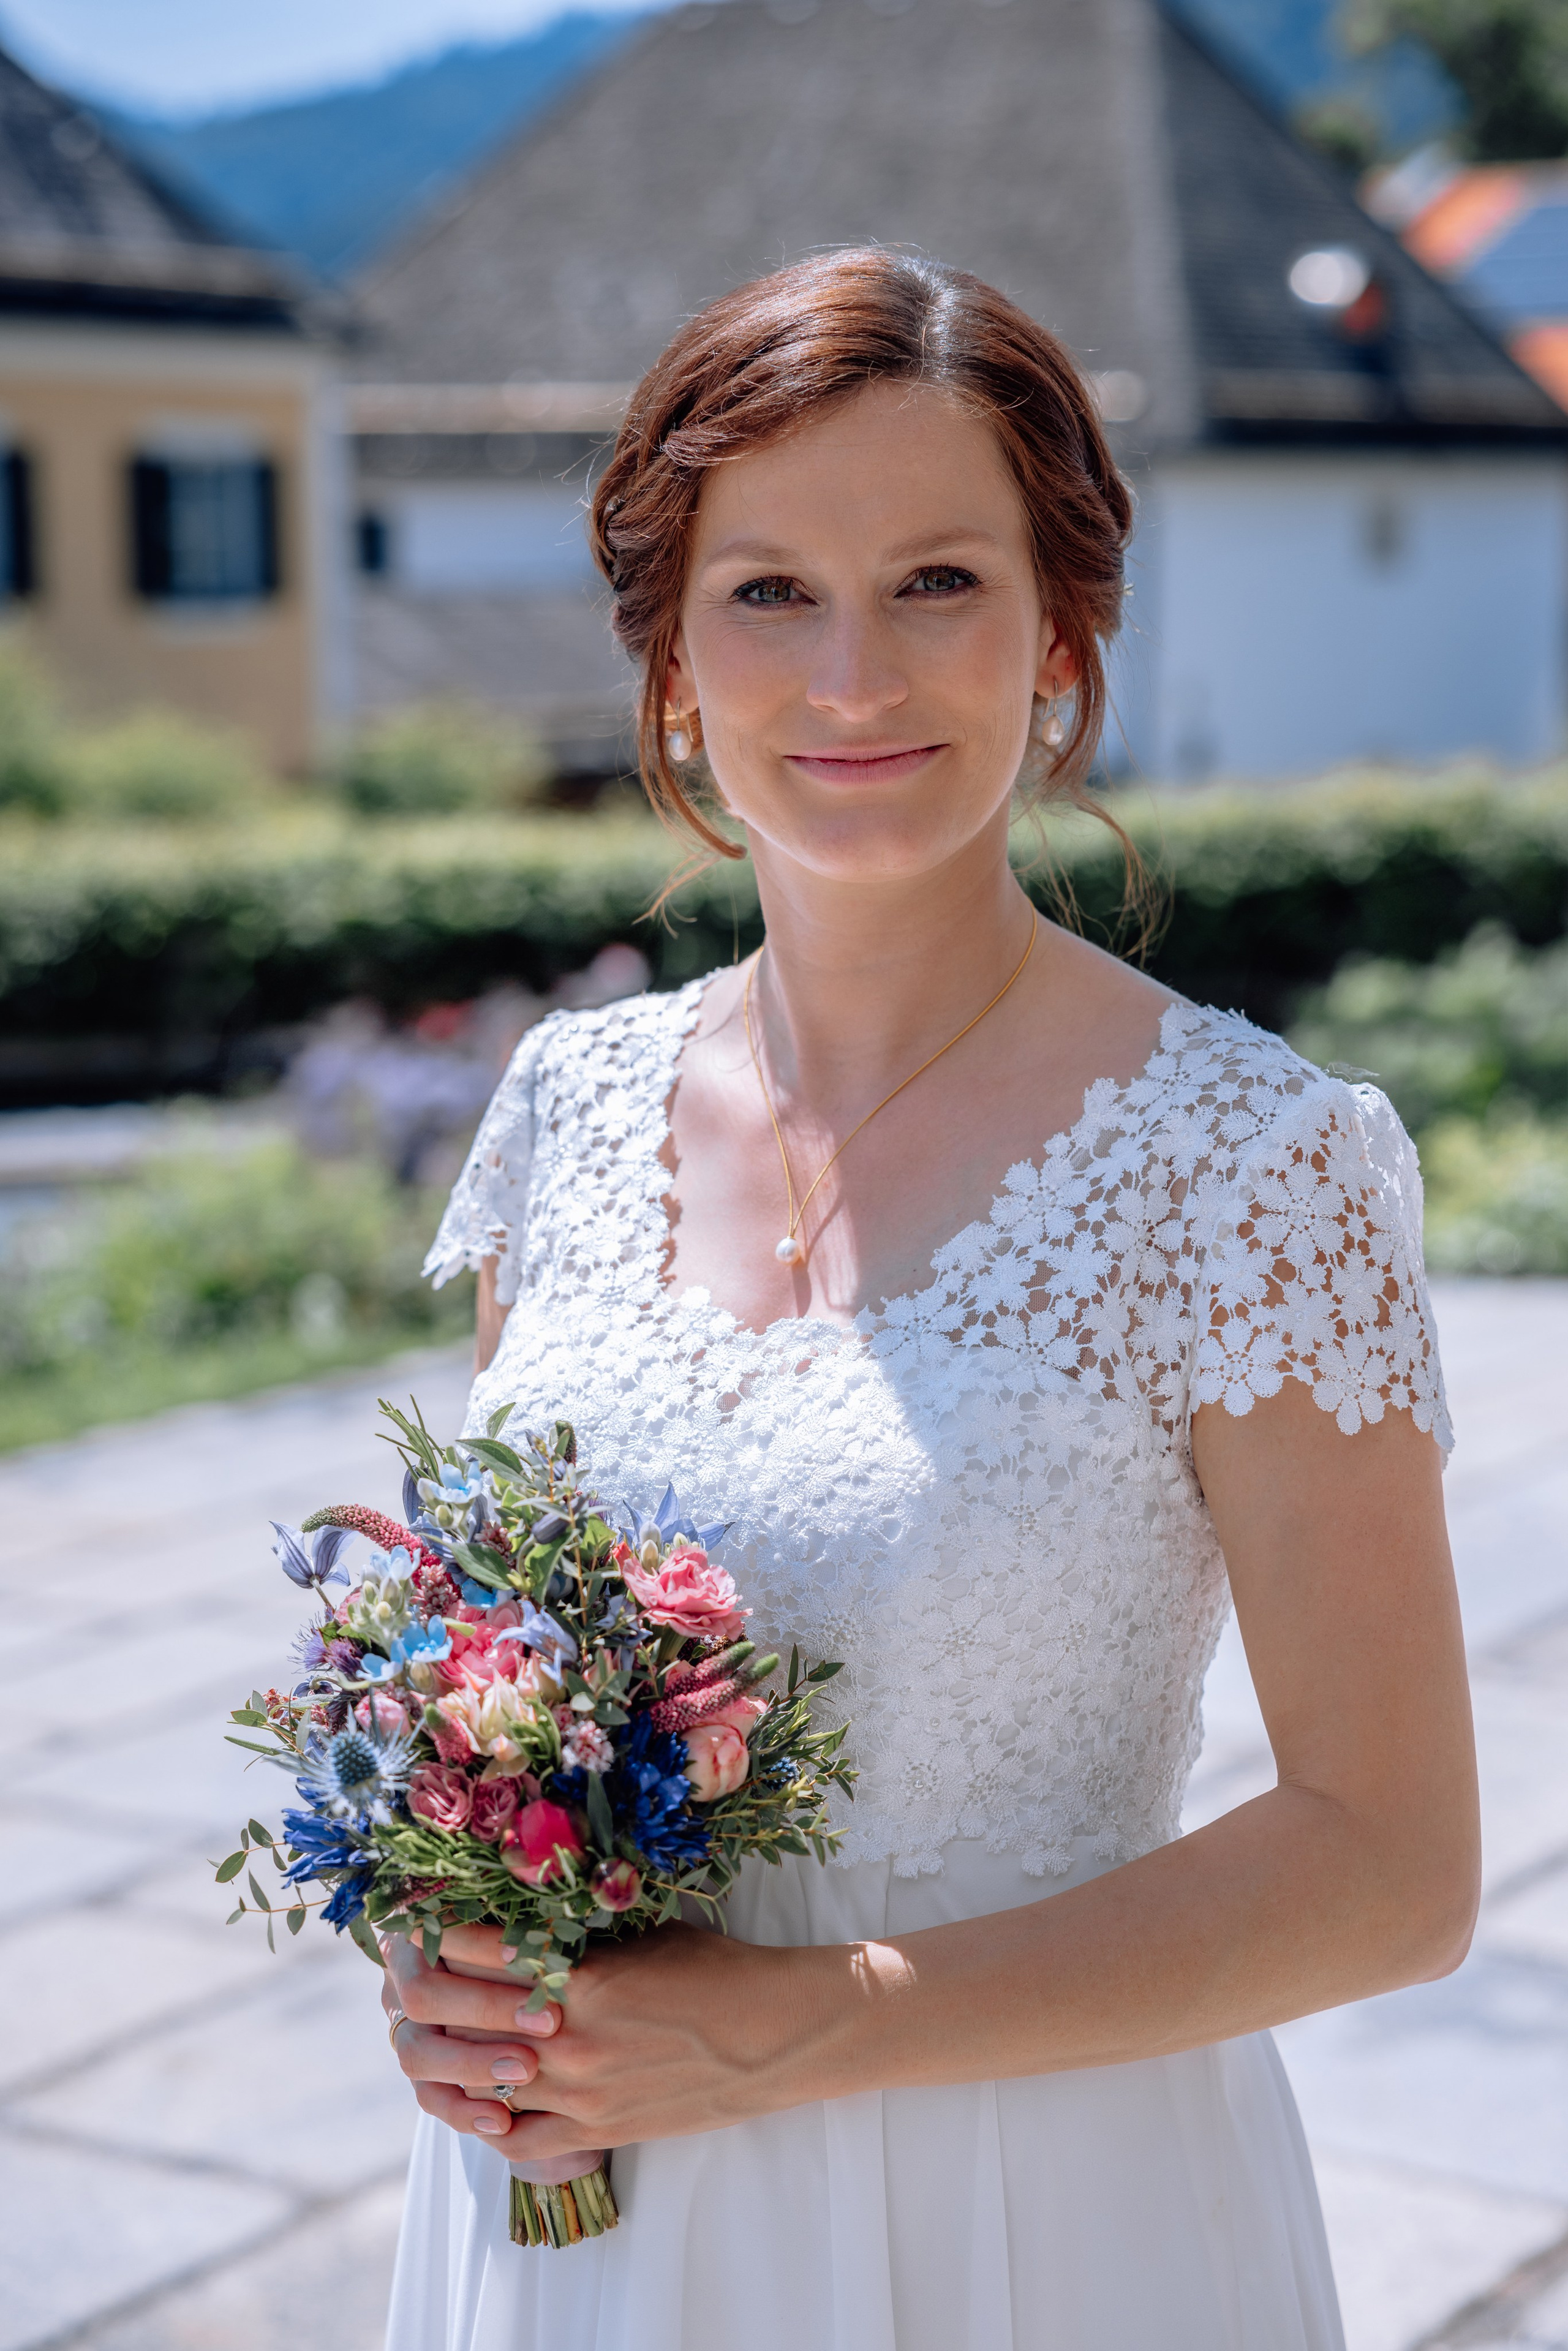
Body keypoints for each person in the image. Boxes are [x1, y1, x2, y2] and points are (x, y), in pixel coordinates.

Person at [380, 249, 1477, 2351]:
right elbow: (480, 1687)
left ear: (1063, 636)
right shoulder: (565, 1108)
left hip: (1038, 2216)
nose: (853, 676)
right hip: (585, 2222)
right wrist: (446, 1947)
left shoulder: (1250, 1165)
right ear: (673, 657)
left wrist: (796, 2033)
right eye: (770, 591)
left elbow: (1392, 1866)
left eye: (941, 582)